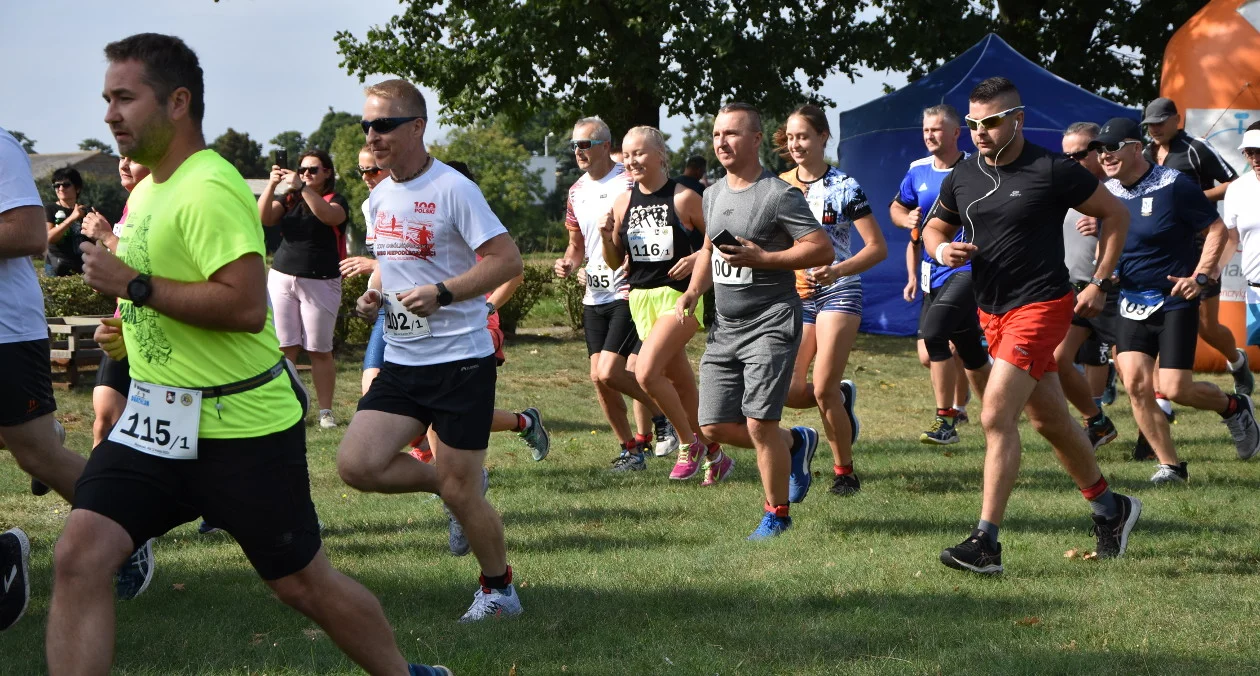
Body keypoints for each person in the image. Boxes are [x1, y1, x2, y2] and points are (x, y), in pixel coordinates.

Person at [51, 35, 450, 676]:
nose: (110, 114)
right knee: (79, 555)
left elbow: (242, 308)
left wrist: (134, 285)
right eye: (107, 99)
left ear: (178, 102)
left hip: (242, 428)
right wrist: (129, 327)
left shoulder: (210, 187)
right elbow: (164, 294)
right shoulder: (150, 189)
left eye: (125, 98)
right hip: (157, 423)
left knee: (302, 585)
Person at [923, 77, 1141, 574]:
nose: (980, 132)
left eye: (991, 122)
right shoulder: (962, 175)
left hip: (1042, 306)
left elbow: (1115, 213)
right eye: (974, 123)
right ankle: (1111, 507)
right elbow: (934, 225)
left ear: (1017, 119)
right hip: (993, 310)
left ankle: (986, 544)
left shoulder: (1053, 169)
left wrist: (1102, 281)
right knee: (1050, 421)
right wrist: (940, 248)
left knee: (995, 416)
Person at [337, 78, 526, 623]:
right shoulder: (378, 196)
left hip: (461, 364)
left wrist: (443, 293)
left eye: (385, 125)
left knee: (463, 495)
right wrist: (376, 296)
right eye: (367, 125)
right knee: (356, 465)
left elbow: (507, 261)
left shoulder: (453, 189)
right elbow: (394, 271)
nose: (373, 135)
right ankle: (449, 482)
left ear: (417, 127)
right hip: (403, 358)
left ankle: (499, 590)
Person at [676, 102, 833, 538]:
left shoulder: (779, 194)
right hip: (725, 327)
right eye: (716, 135)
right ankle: (795, 443)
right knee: (711, 425)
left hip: (771, 320)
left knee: (760, 422)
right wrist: (693, 291)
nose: (721, 142)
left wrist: (767, 258)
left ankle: (777, 514)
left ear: (756, 139)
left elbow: (821, 248)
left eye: (731, 134)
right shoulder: (711, 193)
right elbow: (710, 250)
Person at [1096, 117, 1260, 483]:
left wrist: (1200, 276)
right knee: (1137, 386)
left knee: (1174, 388)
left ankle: (1234, 408)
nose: (1105, 156)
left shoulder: (1174, 185)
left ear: (1135, 148)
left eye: (1112, 148)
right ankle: (1171, 466)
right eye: (1100, 150)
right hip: (1130, 299)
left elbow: (1215, 228)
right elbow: (1112, 239)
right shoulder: (1108, 193)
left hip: (1174, 298)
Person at [601, 125, 730, 483]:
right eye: (626, 155)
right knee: (682, 384)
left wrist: (694, 261)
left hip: (679, 298)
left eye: (639, 153)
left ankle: (689, 444)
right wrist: (604, 235)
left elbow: (717, 241)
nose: (632, 161)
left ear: (660, 155)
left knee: (644, 372)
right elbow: (615, 261)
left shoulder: (684, 197)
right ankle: (716, 454)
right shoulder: (623, 201)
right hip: (641, 298)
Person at [0, 126, 90, 631]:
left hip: (5, 332)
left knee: (36, 453)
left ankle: (127, 530)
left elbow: (29, 234)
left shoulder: (0, 147)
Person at [554, 116, 679, 471]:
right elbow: (575, 246)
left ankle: (665, 418)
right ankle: (631, 450)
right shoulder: (576, 190)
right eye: (574, 146)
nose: (578, 152)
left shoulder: (628, 181)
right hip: (594, 295)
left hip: (627, 290)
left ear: (606, 147)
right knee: (600, 379)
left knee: (610, 372)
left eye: (585, 145)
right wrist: (568, 263)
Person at [777, 103, 887, 494]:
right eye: (790, 137)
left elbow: (877, 248)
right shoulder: (779, 186)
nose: (795, 144)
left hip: (840, 289)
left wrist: (837, 270)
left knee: (821, 387)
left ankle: (845, 474)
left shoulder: (845, 186)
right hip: (797, 297)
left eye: (803, 136)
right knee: (789, 390)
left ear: (824, 137)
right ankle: (841, 400)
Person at [890, 104, 990, 446]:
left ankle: (946, 419)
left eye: (936, 129)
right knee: (967, 353)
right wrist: (907, 221)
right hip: (931, 271)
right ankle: (999, 409)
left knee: (934, 335)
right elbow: (897, 207)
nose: (929, 135)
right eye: (925, 130)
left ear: (955, 133)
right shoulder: (917, 170)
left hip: (966, 269)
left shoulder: (975, 167)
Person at [1143, 97, 1253, 397]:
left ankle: (1236, 360)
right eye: (1150, 124)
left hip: (1200, 246)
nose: (1154, 129)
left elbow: (1233, 183)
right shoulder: (1145, 152)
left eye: (1160, 123)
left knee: (1207, 326)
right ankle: (1161, 399)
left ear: (1176, 119)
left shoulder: (1196, 147)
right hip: (1162, 248)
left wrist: (1194, 199)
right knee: (1161, 317)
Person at [258, 149, 350, 429]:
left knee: (319, 349)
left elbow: (329, 217)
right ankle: (286, 409)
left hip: (320, 280)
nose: (306, 174)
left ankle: (325, 411)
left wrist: (302, 189)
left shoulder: (335, 199)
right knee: (285, 346)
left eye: (313, 170)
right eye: (303, 170)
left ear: (327, 173)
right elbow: (263, 217)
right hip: (282, 276)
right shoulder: (289, 199)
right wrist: (273, 184)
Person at [1054, 123, 1120, 450]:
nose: (1071, 161)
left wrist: (1105, 222)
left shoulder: (1119, 189)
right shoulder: (1063, 188)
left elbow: (1138, 226)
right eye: (1065, 155)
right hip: (1073, 290)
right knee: (1059, 357)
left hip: (1114, 291)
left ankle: (1152, 438)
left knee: (1131, 372)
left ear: (1098, 152)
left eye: (1079, 154)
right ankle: (1096, 422)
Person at [81, 156, 151, 448]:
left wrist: (107, 236)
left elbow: (149, 265)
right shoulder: (131, 204)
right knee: (105, 422)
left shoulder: (160, 205)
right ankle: (97, 493)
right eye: (121, 157)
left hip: (156, 331)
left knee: (138, 434)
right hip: (122, 324)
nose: (124, 164)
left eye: (133, 159)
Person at [1228, 123, 1260, 354]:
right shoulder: (1237, 189)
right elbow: (1230, 240)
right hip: (1255, 290)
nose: (1256, 159)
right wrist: (1208, 273)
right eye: (1250, 152)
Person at [44, 167, 93, 276]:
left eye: (66, 185)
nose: (60, 188)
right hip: (57, 267)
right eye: (56, 185)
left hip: (84, 267)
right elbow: (49, 238)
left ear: (77, 188)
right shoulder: (50, 209)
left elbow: (96, 239)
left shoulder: (86, 210)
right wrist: (72, 218)